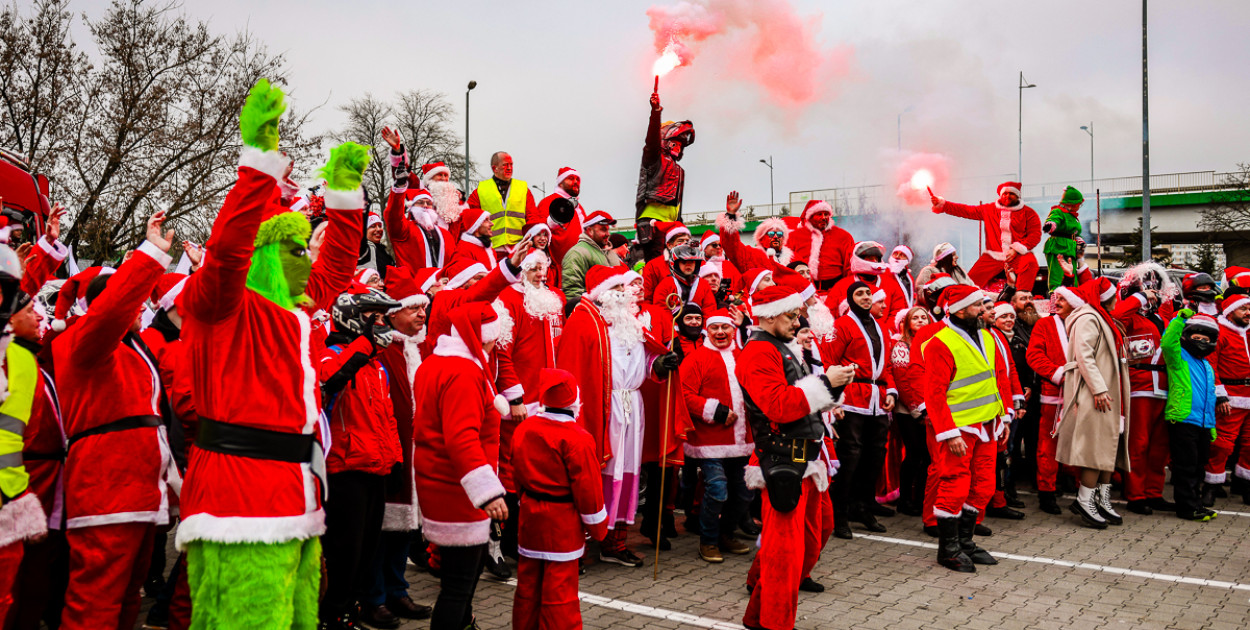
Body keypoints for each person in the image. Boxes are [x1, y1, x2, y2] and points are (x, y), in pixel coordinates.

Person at [176, 81, 365, 629]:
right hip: (241, 493)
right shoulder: (222, 302)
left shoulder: (297, 311)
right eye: (293, 249)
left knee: (295, 614)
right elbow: (229, 246)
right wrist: (258, 162)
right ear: (263, 255)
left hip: (293, 488)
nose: (309, 260)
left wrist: (345, 195)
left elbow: (338, 265)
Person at [52, 210, 176, 629]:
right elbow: (111, 311)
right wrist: (148, 258)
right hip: (107, 488)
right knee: (96, 602)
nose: (135, 303)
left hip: (140, 489)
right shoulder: (82, 339)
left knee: (127, 597)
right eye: (121, 295)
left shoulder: (130, 347)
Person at [738, 284, 853, 630]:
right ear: (770, 314)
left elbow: (798, 395)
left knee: (812, 535)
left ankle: (760, 613)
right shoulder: (759, 352)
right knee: (784, 554)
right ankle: (774, 622)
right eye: (791, 314)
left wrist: (831, 387)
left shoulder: (781, 347)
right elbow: (778, 405)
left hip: (806, 457)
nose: (798, 320)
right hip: (783, 459)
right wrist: (826, 382)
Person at [556, 265, 679, 567]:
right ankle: (580, 546)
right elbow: (572, 369)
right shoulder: (584, 322)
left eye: (623, 290)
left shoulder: (632, 324)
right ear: (601, 295)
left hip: (631, 407)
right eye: (616, 290)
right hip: (601, 407)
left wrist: (661, 364)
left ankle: (615, 541)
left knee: (626, 473)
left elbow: (647, 360)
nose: (623, 295)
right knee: (594, 474)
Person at [412, 303, 511, 630]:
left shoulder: (434, 363)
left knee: (458, 584)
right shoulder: (464, 372)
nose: (495, 346)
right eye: (493, 340)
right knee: (458, 587)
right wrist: (488, 494)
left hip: (440, 481)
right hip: (458, 490)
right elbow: (461, 438)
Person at [318, 285, 402, 628]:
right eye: (373, 317)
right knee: (343, 554)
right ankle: (331, 615)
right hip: (344, 470)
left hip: (375, 468)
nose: (380, 324)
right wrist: (365, 344)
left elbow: (388, 417)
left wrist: (394, 460)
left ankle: (349, 611)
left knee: (366, 554)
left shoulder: (376, 365)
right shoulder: (330, 352)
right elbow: (330, 380)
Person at [921, 285, 1012, 572]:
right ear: (961, 310)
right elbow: (934, 394)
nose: (984, 311)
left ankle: (965, 541)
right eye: (977, 306)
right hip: (959, 429)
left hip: (987, 425)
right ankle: (948, 549)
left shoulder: (986, 336)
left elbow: (998, 379)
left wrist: (1004, 417)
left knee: (984, 485)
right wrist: (949, 433)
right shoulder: (940, 343)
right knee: (954, 485)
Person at [510, 369, 609, 630]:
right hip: (561, 523)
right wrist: (598, 528)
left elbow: (516, 472)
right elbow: (588, 490)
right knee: (559, 593)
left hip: (531, 517)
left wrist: (526, 501)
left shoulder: (525, 428)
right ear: (574, 399)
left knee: (528, 586)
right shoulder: (578, 438)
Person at [366, 265, 436, 624]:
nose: (422, 314)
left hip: (412, 451)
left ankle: (398, 590)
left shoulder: (418, 347)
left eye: (424, 308)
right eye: (414, 308)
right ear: (394, 313)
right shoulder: (382, 348)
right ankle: (375, 596)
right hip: (387, 450)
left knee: (405, 526)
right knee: (383, 527)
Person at [492, 249, 565, 564]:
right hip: (520, 401)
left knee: (535, 469)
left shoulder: (549, 299)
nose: (541, 274)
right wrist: (515, 396)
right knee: (510, 468)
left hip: (544, 399)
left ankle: (526, 536)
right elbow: (503, 351)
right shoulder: (509, 299)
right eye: (534, 269)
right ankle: (507, 541)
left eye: (544, 269)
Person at [1055, 279, 1131, 529]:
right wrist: (1098, 388)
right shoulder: (1089, 317)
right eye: (1115, 296)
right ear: (1107, 297)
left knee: (1109, 445)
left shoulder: (1103, 317)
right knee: (1096, 449)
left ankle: (1100, 497)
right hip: (1096, 392)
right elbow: (1084, 356)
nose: (1118, 299)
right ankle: (1085, 500)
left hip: (1109, 390)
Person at [680, 309, 754, 563]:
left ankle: (725, 534)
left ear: (734, 330)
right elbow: (685, 395)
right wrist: (717, 411)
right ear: (706, 331)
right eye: (715, 328)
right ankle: (708, 540)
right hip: (710, 440)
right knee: (717, 490)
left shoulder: (744, 356)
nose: (720, 332)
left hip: (742, 442)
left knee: (745, 492)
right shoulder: (696, 359)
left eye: (726, 327)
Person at [825, 282, 897, 538]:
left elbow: (885, 364)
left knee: (875, 455)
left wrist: (890, 391)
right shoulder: (841, 325)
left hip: (877, 398)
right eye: (860, 294)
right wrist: (833, 401)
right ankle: (840, 513)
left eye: (868, 293)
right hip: (852, 397)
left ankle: (863, 506)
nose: (866, 297)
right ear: (850, 299)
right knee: (850, 456)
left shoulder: (881, 327)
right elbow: (829, 362)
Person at [0, 243, 47, 622]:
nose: (38, 316)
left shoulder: (23, 359)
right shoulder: (16, 357)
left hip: (11, 501)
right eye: (29, 310)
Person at [1113, 262, 1176, 515]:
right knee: (1137, 444)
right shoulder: (1128, 317)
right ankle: (1136, 494)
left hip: (1166, 388)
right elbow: (1116, 314)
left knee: (1160, 446)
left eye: (1154, 291)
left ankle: (1153, 491)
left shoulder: (1163, 318)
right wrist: (1138, 297)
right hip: (1140, 388)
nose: (1152, 295)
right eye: (1146, 290)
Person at [1161, 311, 1221, 521]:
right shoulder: (1179, 358)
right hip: (1183, 418)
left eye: (1206, 339)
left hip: (1203, 422)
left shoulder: (1207, 366)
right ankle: (1186, 507)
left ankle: (1196, 503)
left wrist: (1211, 425)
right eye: (1197, 338)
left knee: (1198, 466)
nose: (1202, 342)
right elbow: (1168, 343)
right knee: (1185, 466)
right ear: (1187, 337)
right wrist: (1180, 319)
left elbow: (1210, 396)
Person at [930, 181, 1042, 291]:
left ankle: (1022, 298)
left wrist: (1017, 249)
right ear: (1001, 195)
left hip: (1017, 256)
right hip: (993, 256)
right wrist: (944, 205)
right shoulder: (989, 209)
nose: (1007, 196)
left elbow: (1035, 234)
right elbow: (966, 210)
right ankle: (965, 300)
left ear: (1017, 196)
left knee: (1030, 263)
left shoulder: (1028, 213)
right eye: (1005, 193)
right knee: (970, 282)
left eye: (1011, 194)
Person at [1026, 288, 1077, 514]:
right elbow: (1034, 355)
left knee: (1079, 442)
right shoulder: (1044, 325)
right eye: (1056, 299)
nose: (1056, 302)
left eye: (1063, 299)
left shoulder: (1085, 324)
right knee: (1048, 445)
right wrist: (1059, 374)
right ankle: (1046, 491)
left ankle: (1075, 484)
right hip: (1054, 394)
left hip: (1082, 394)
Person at [382, 128, 456, 270]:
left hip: (446, 255)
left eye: (446, 176)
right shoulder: (419, 190)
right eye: (439, 175)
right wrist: (398, 152)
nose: (443, 179)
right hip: (419, 248)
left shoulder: (455, 202)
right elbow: (403, 174)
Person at [635, 91, 694, 254]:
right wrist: (655, 112)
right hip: (653, 226)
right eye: (674, 143)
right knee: (657, 267)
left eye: (681, 145)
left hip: (672, 227)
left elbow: (677, 206)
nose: (678, 147)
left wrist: (680, 225)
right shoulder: (654, 158)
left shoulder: (679, 171)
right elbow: (651, 140)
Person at [1205, 293, 1250, 505]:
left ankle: (1245, 484)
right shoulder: (1220, 332)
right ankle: (1212, 485)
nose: (1248, 313)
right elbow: (1211, 366)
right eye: (1244, 309)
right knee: (1223, 444)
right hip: (1231, 396)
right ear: (1231, 312)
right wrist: (1220, 394)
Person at [890, 306, 932, 516]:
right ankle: (906, 500)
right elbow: (903, 383)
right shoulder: (901, 346)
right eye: (915, 318)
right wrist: (918, 411)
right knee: (915, 454)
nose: (920, 320)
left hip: (929, 410)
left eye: (923, 317)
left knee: (927, 456)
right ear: (906, 323)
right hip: (909, 412)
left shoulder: (932, 344)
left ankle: (922, 498)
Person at [467, 151, 537, 252]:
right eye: (505, 165)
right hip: (491, 248)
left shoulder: (523, 189)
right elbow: (470, 219)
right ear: (494, 168)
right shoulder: (480, 191)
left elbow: (533, 217)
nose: (509, 168)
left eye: (511, 165)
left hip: (518, 247)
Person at [785, 200, 854, 291]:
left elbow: (850, 266)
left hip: (836, 289)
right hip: (803, 289)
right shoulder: (793, 237)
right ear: (810, 216)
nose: (823, 217)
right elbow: (786, 265)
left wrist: (846, 289)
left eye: (826, 214)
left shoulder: (843, 236)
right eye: (819, 214)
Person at [718, 191, 794, 270]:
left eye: (779, 234)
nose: (775, 237)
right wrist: (731, 216)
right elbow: (732, 247)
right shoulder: (753, 256)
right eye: (771, 233)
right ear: (762, 237)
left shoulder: (793, 258)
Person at [561, 211, 622, 300]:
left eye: (608, 230)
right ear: (590, 231)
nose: (608, 234)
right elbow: (572, 293)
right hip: (593, 312)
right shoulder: (577, 253)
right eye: (603, 229)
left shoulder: (611, 254)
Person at [1041, 187, 1085, 290]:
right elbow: (1053, 220)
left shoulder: (1072, 216)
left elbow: (1075, 232)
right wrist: (1051, 225)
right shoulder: (1058, 211)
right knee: (1057, 277)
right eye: (1079, 204)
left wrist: (1079, 240)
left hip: (1071, 248)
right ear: (1072, 203)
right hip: (1058, 246)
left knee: (1072, 276)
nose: (1080, 206)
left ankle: (1072, 295)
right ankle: (1055, 299)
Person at [652, 243, 716, 313]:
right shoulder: (665, 284)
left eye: (692, 262)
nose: (688, 265)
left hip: (698, 322)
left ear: (697, 264)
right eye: (684, 262)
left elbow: (710, 310)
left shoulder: (703, 285)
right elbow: (660, 311)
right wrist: (674, 324)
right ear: (675, 264)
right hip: (673, 322)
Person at [640, 221, 692, 301]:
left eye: (687, 241)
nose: (685, 244)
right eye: (680, 241)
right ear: (669, 245)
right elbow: (647, 298)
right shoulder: (653, 266)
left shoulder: (699, 263)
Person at [358, 211, 393, 278]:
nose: (378, 229)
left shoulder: (383, 251)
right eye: (372, 226)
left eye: (380, 226)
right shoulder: (364, 250)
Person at [883, 246, 916, 311]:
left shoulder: (909, 277)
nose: (897, 257)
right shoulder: (884, 271)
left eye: (902, 255)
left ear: (908, 260)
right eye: (895, 253)